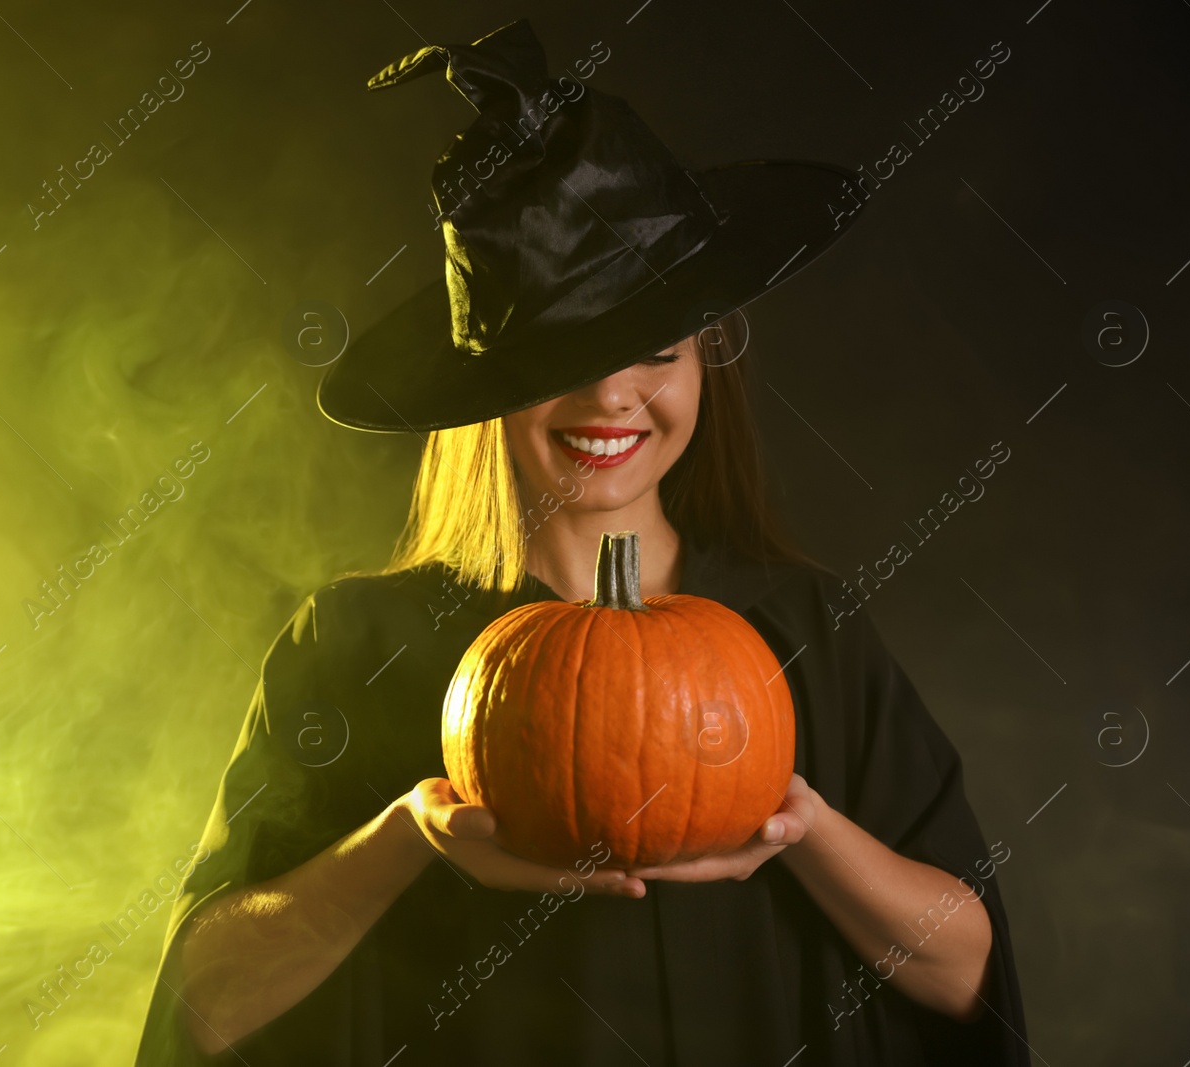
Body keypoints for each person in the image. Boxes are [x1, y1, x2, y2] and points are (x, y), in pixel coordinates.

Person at [133, 18, 1028, 1065]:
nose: (611, 394)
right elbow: (207, 1002)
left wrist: (803, 828)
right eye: (564, 352)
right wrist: (406, 838)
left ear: (705, 366)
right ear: (488, 395)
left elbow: (966, 973)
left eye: (653, 349)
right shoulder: (350, 641)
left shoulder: (806, 629)